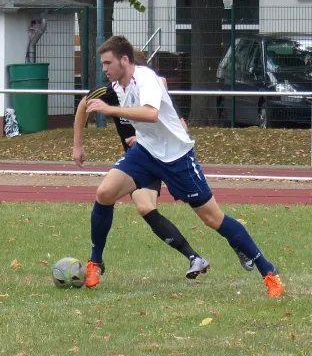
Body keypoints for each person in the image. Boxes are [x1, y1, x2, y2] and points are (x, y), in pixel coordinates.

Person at [86, 37, 286, 297]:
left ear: (125, 60)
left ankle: (269, 272)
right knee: (104, 193)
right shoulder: (118, 85)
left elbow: (150, 113)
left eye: (108, 63)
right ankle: (95, 263)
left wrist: (109, 109)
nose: (104, 68)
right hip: (145, 152)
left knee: (212, 218)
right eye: (102, 64)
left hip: (177, 157)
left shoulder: (145, 77)